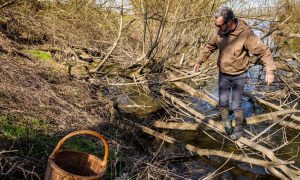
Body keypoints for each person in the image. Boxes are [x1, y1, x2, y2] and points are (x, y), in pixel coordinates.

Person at [194, 7, 276, 140]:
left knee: (236, 104)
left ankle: (239, 126)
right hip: (223, 74)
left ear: (230, 22)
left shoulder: (245, 34)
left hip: (239, 75)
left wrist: (270, 70)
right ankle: (226, 121)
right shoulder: (219, 32)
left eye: (220, 26)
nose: (218, 29)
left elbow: (264, 51)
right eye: (216, 26)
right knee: (222, 102)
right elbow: (209, 47)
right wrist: (199, 61)